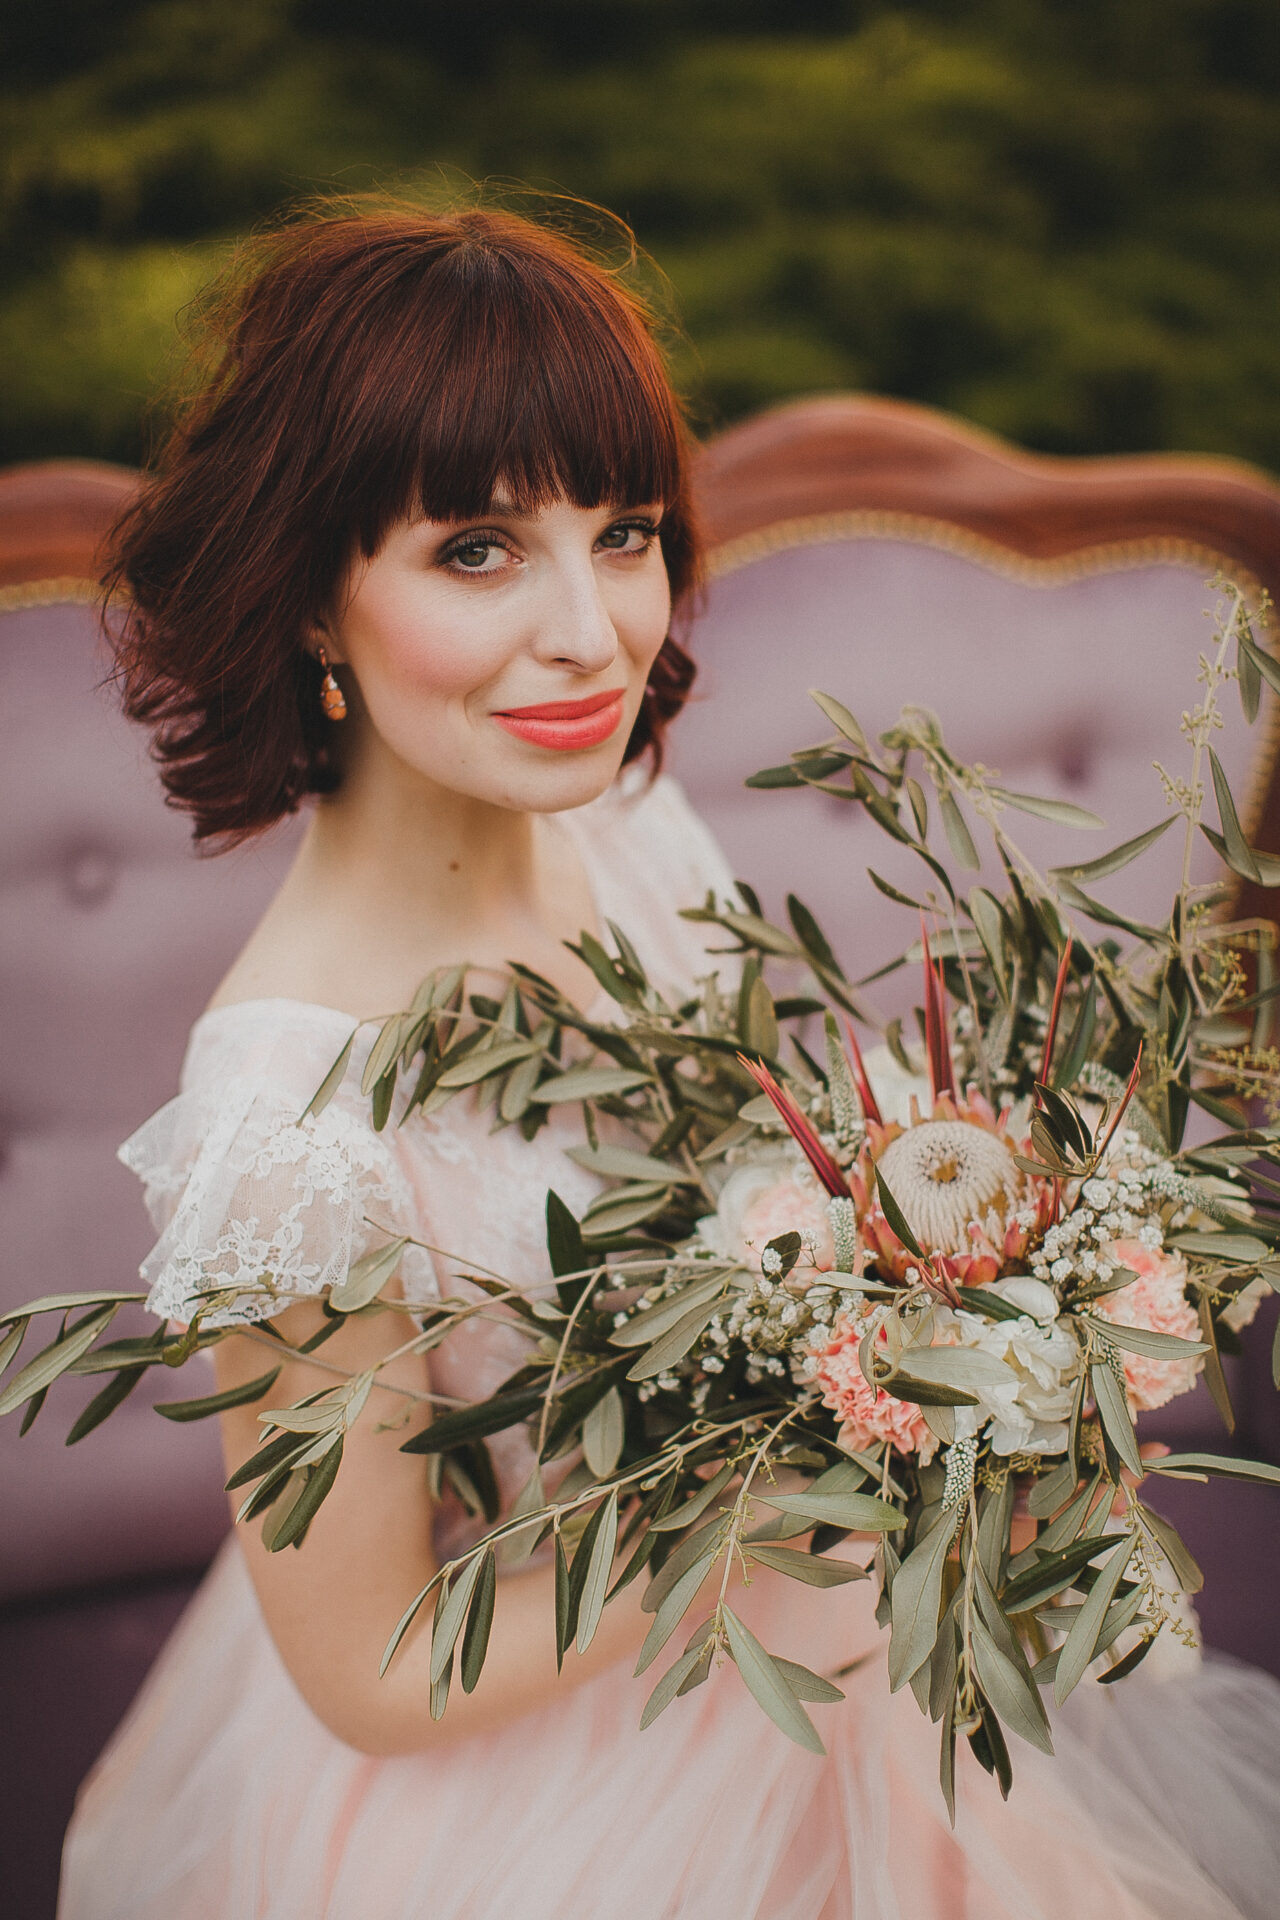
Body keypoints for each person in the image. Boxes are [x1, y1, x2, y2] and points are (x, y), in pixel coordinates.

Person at [59, 202, 1280, 1920]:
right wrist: (811, 1449)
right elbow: (378, 1675)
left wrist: (966, 1294)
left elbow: (742, 1172)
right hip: (540, 1811)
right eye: (477, 550)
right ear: (313, 597)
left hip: (816, 1671)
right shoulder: (290, 1127)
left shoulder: (619, 815)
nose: (591, 634)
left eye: (622, 533)